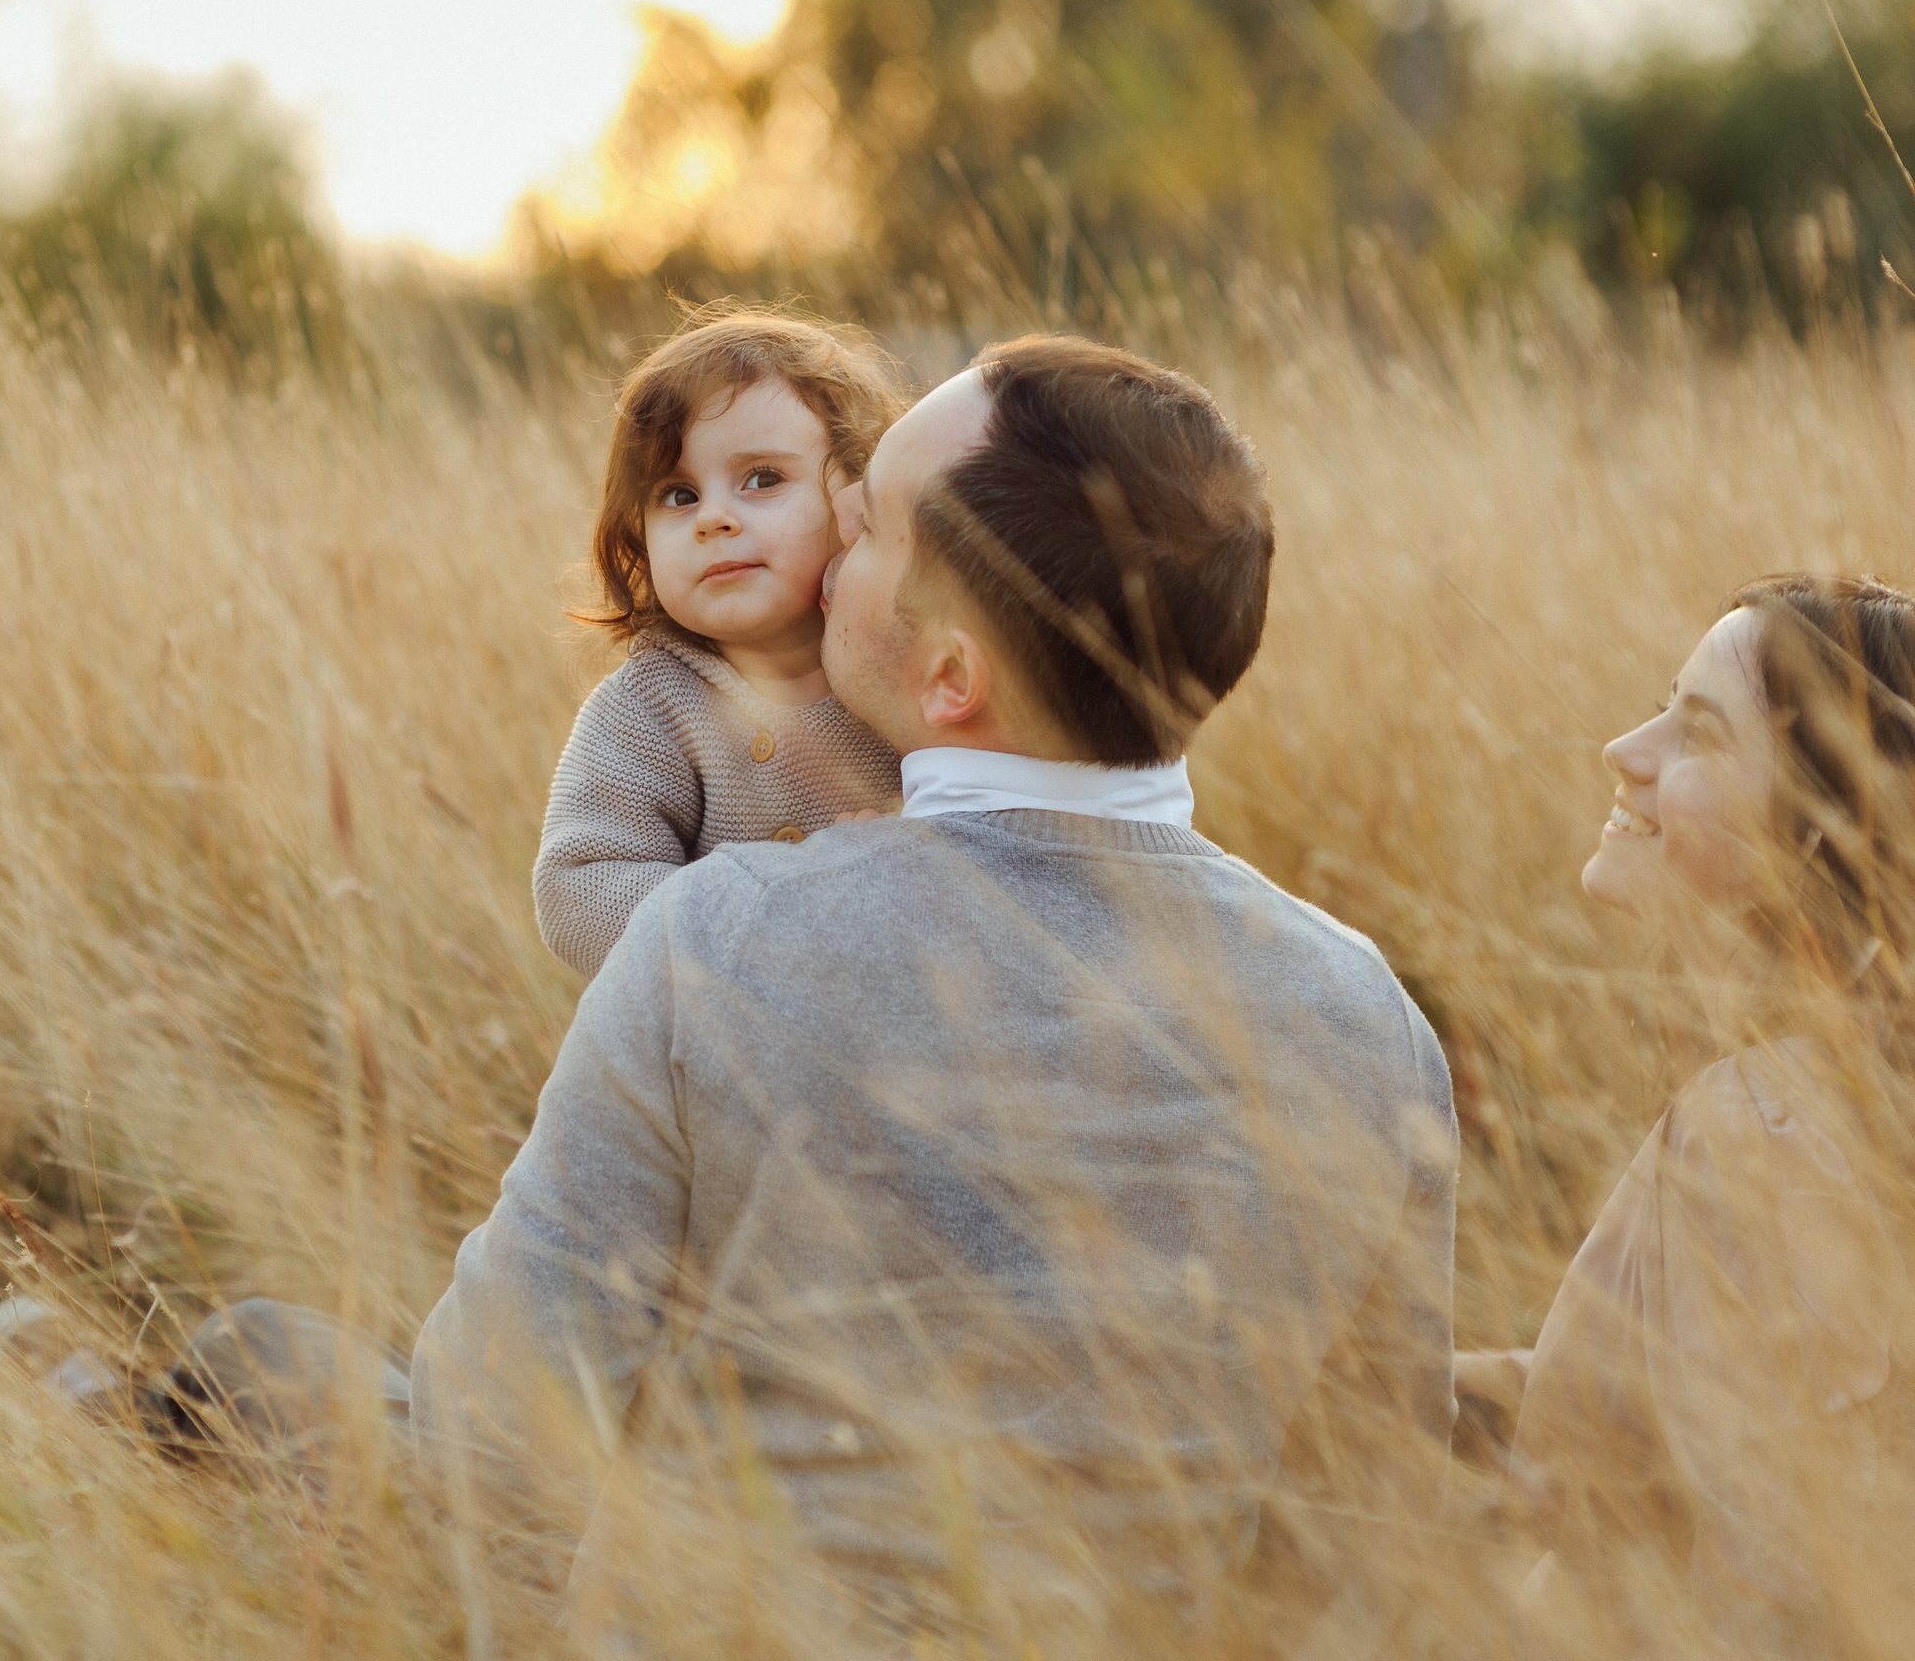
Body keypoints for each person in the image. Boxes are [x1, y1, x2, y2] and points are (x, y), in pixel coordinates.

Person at [399, 336, 1458, 1647]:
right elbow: (1372, 1546)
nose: (829, 560)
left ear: (952, 672)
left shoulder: (713, 941)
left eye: (871, 529)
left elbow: (488, 1425)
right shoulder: (1370, 1028)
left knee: (284, 1364)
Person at [1503, 574, 1915, 1647]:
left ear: (1828, 829)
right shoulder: (1831, 1078)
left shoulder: (1767, 1132)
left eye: (1694, 732)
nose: (1623, 752)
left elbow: (1782, 1590)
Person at [532, 307, 907, 976]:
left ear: (859, 500)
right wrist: (773, 902)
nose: (713, 519)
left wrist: (907, 851)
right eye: (676, 495)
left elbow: (1002, 813)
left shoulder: (913, 664)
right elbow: (577, 892)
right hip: (727, 1055)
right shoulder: (650, 709)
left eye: (762, 479)